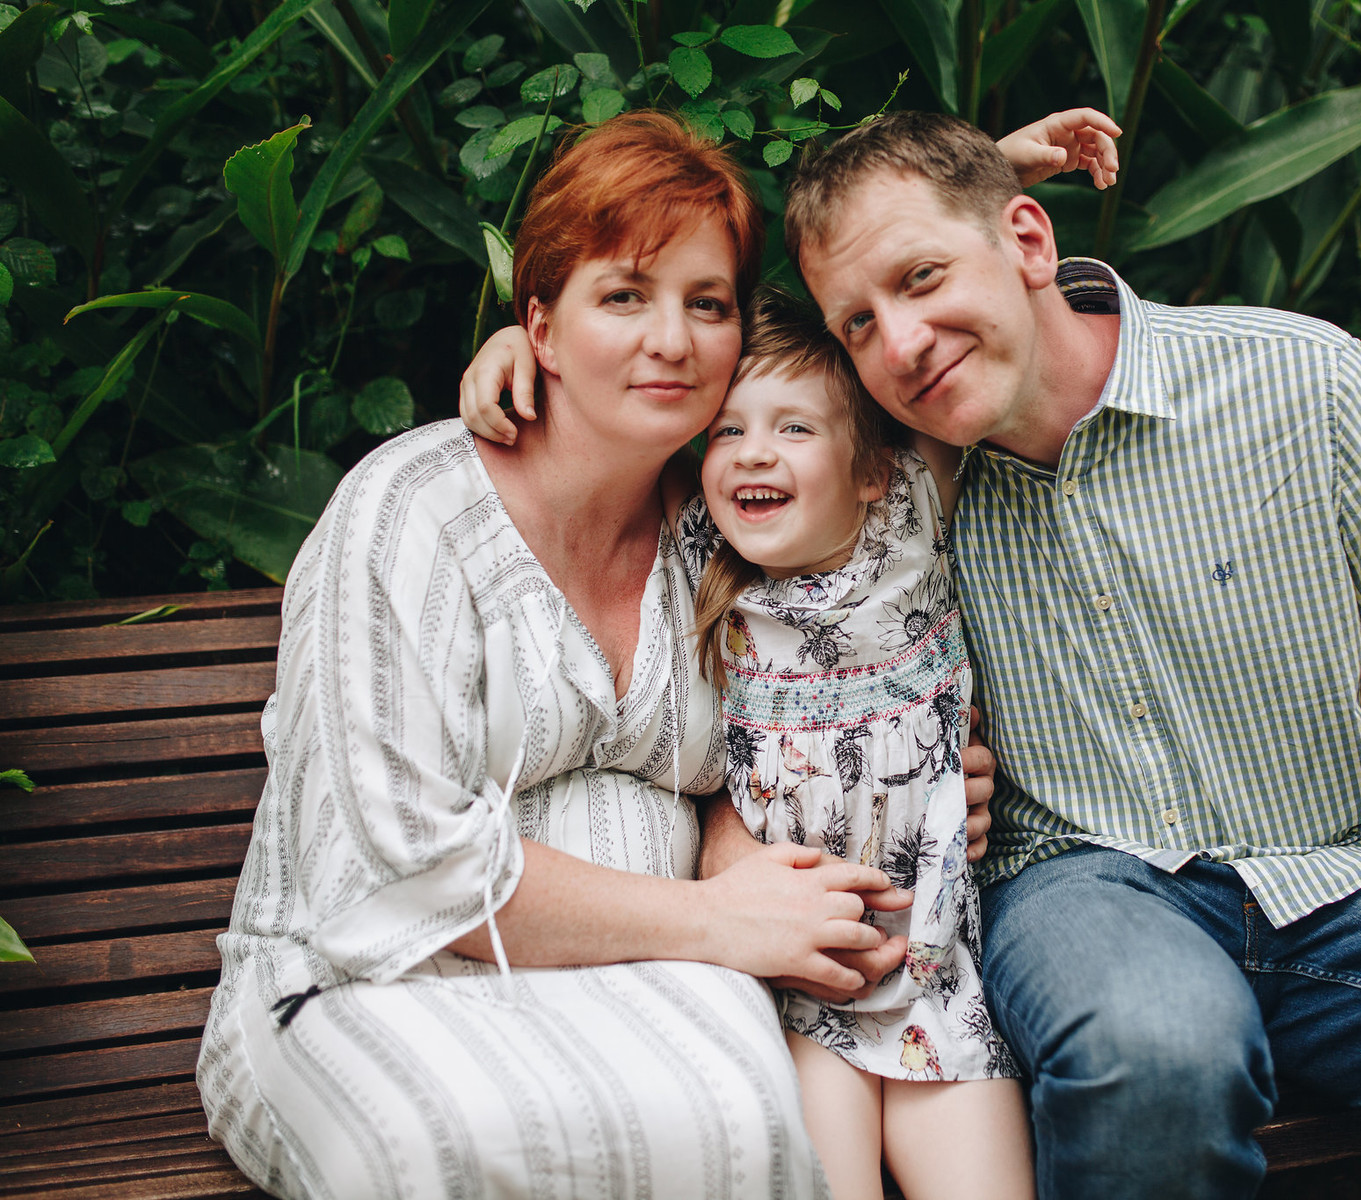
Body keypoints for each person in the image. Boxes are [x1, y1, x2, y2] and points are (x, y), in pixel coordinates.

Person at [460, 110, 1361, 1199]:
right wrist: (542, 346)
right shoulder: (897, 474)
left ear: (1027, 238)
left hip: (1346, 880)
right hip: (1090, 893)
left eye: (920, 283)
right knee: (1157, 1052)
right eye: (860, 323)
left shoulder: (1299, 386)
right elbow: (709, 389)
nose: (898, 345)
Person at [201, 107, 1117, 1199]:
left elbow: (819, 656)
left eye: (708, 304)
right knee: (452, 1148)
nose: (673, 342)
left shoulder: (723, 541)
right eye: (623, 297)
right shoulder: (412, 511)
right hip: (375, 983)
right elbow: (398, 868)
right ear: (538, 328)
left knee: (739, 1126)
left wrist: (896, 787)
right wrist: (715, 917)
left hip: (668, 985)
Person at [682, 292, 1030, 1200]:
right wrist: (518, 346)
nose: (753, 450)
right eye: (725, 432)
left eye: (793, 426)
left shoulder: (910, 509)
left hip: (939, 973)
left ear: (870, 468)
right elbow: (597, 418)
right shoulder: (699, 566)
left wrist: (1002, 185)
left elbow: (961, 332)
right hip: (796, 986)